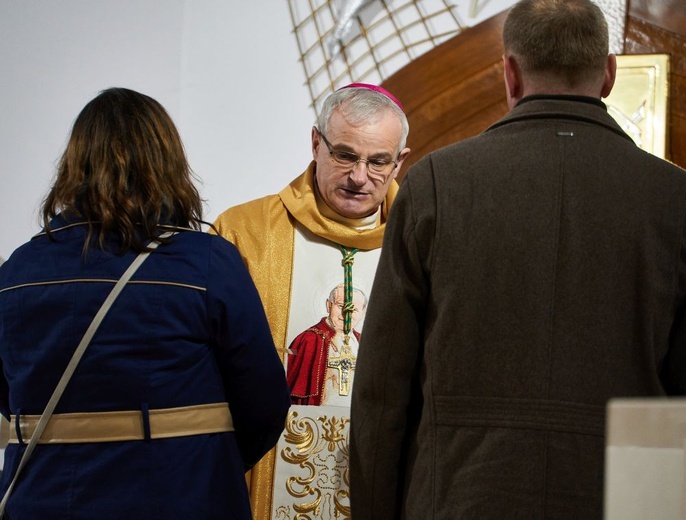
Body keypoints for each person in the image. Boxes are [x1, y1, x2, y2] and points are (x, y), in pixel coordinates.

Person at [349, 0, 686, 518]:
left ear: (509, 73)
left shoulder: (437, 184)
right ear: (610, 75)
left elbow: (382, 391)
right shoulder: (673, 198)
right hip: (623, 499)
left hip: (460, 497)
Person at [0, 87, 290, 520]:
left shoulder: (16, 272)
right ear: (168, 162)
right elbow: (265, 403)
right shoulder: (207, 263)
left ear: (74, 164)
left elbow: (12, 399)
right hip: (183, 495)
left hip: (43, 499)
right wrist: (204, 456)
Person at [213, 83, 410, 519]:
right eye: (345, 155)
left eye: (378, 162)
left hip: (385, 469)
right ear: (316, 143)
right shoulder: (245, 233)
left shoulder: (423, 239)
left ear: (401, 162)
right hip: (270, 467)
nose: (360, 177)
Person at [287, 283, 368, 406]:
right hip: (316, 418)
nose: (346, 314)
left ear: (363, 312)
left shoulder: (364, 343)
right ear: (328, 305)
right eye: (341, 306)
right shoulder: (308, 339)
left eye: (354, 310)